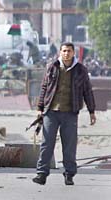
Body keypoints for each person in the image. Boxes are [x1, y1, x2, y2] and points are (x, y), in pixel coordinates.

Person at [33, 42, 96, 186]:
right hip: (51, 112)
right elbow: (44, 87)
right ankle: (41, 174)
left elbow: (87, 91)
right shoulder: (52, 67)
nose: (66, 53)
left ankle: (69, 174)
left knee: (69, 145)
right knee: (46, 144)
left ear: (73, 53)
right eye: (64, 51)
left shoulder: (81, 70)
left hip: (70, 113)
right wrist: (40, 108)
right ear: (60, 52)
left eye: (69, 51)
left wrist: (92, 111)